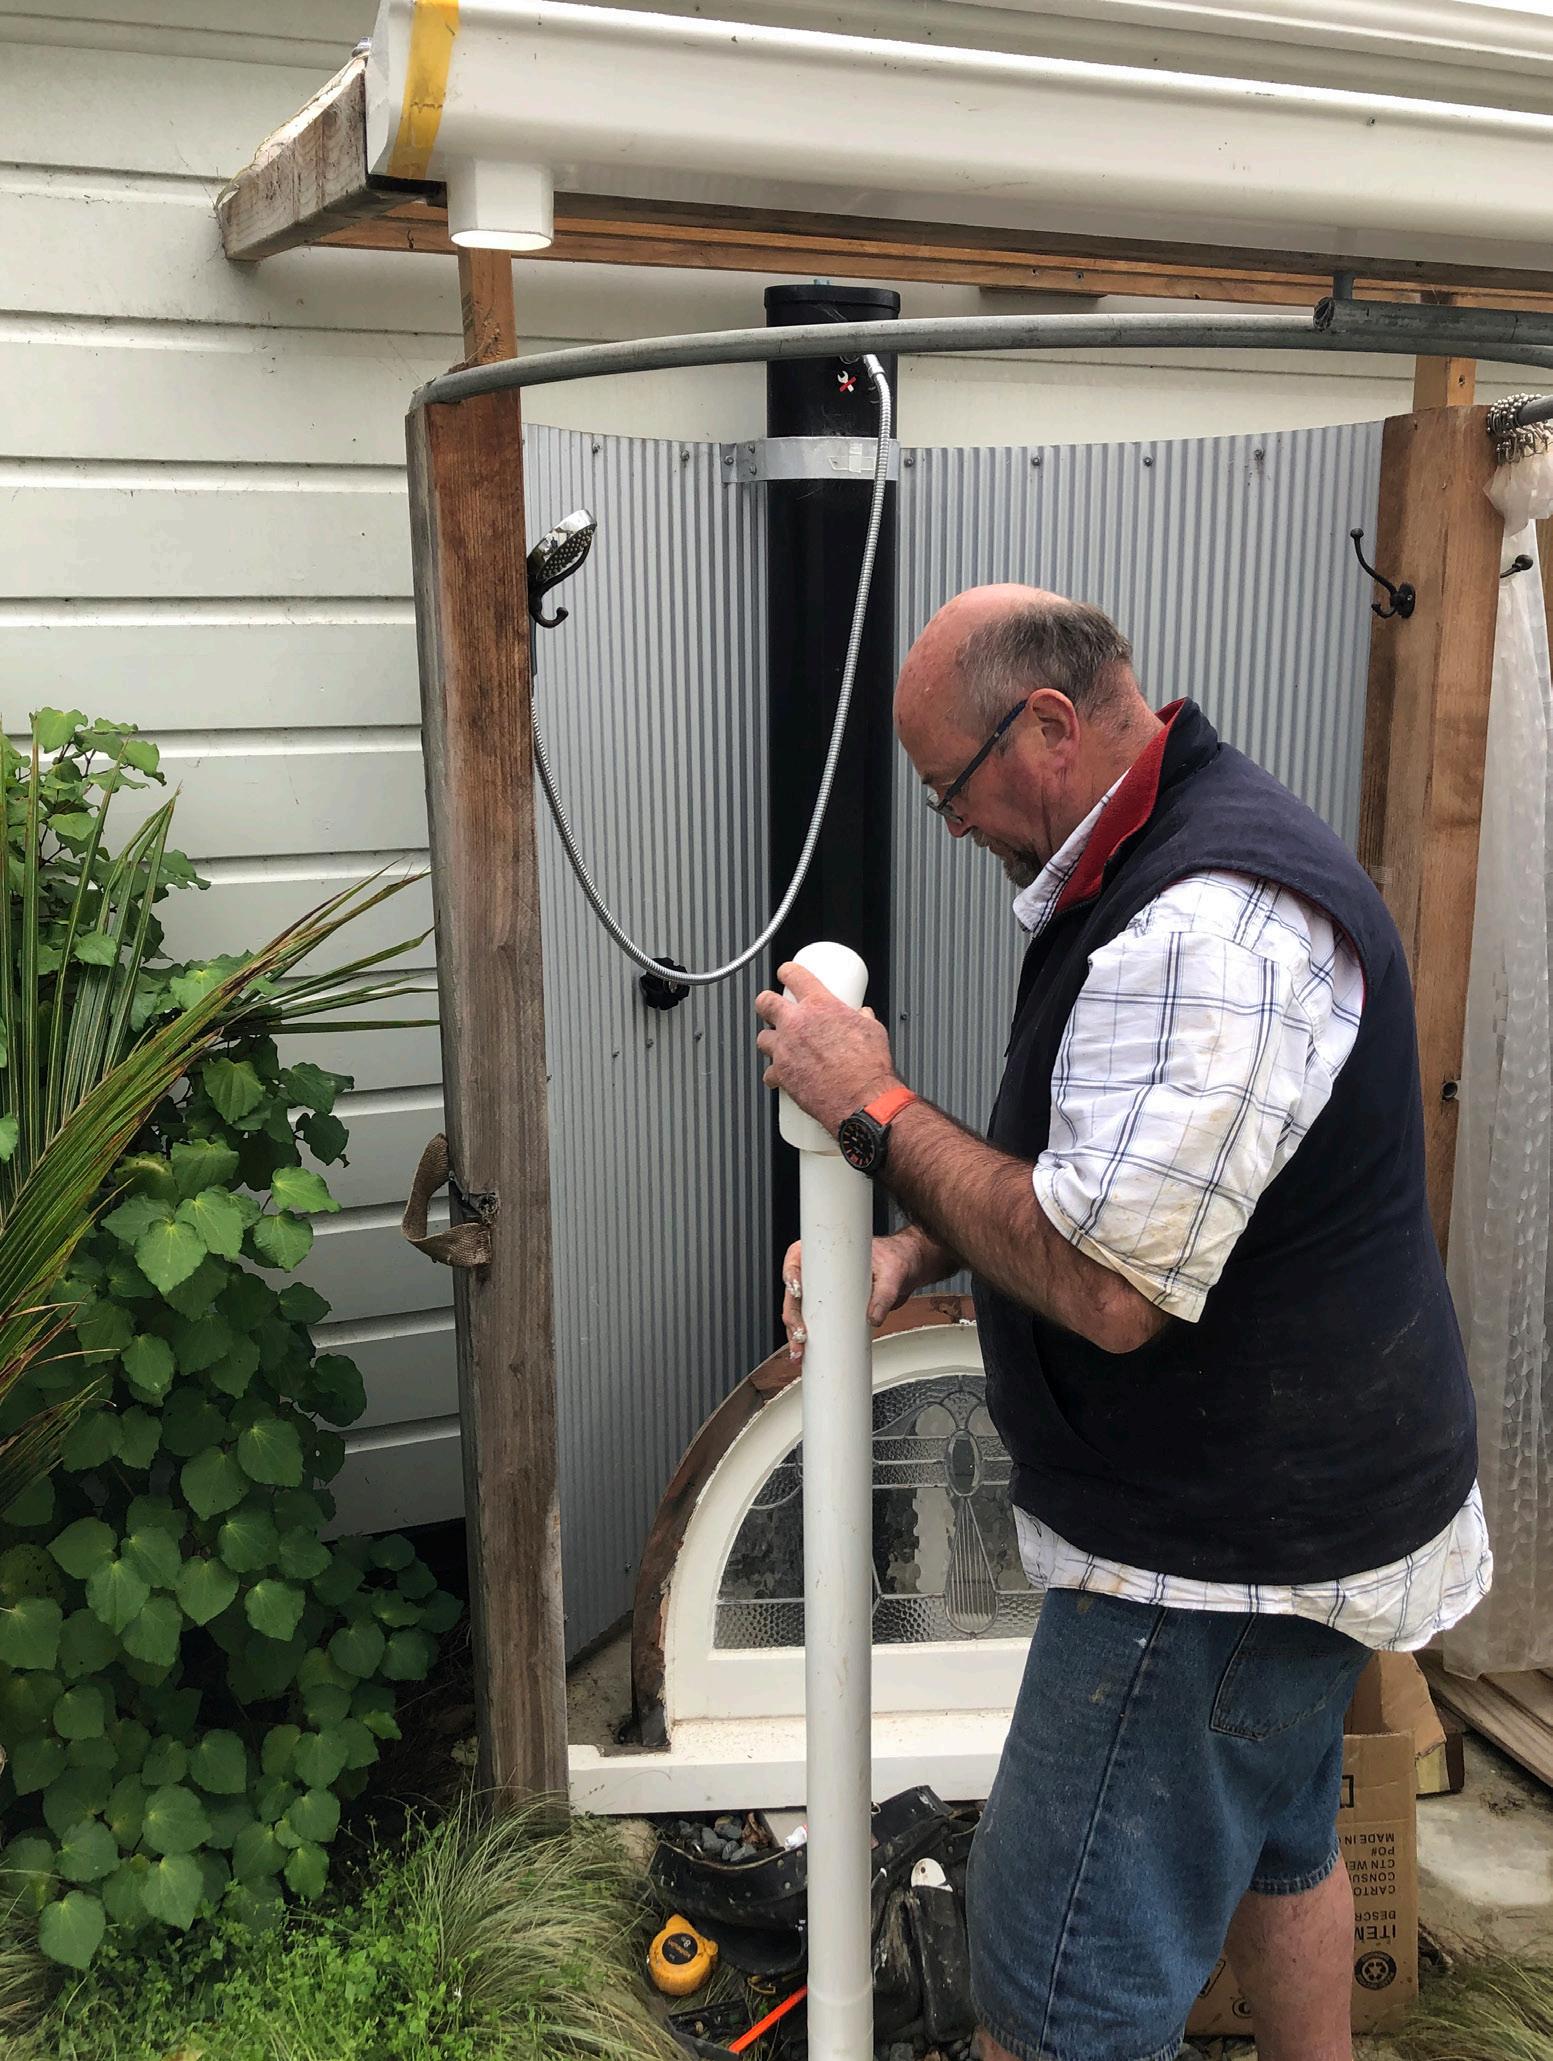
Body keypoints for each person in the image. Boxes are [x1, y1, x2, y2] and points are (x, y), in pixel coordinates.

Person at [753, 584, 1489, 2061]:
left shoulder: (1207, 928)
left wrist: (870, 1108)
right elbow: (1121, 1188)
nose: (949, 825)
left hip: (1218, 1567)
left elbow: (1109, 1285)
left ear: (1046, 725)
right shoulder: (1168, 853)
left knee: (1055, 2000)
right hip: (1311, 1515)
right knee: (1282, 1851)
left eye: (948, 787)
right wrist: (917, 1244)